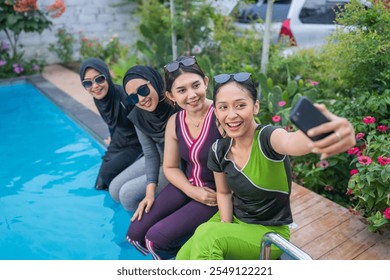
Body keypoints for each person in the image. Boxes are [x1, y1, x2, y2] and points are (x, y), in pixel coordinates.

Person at [176, 72, 356, 260]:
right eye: (223, 107)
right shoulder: (218, 150)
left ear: (255, 107)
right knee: (182, 257)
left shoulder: (268, 138)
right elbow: (223, 193)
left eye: (240, 105)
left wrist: (333, 131)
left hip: (269, 231)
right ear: (216, 111)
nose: (231, 115)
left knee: (208, 235)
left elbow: (292, 142)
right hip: (235, 219)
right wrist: (225, 226)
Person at [126, 56, 223, 260]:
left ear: (206, 82)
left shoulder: (223, 115)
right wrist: (190, 190)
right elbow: (169, 166)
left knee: (155, 239)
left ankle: (183, 255)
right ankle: (182, 246)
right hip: (186, 186)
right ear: (170, 95)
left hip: (215, 194)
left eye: (196, 85)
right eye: (181, 90)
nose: (191, 95)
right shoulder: (175, 121)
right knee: (134, 235)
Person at [109, 65, 179, 213]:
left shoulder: (176, 104)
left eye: (143, 90)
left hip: (177, 165)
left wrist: (150, 189)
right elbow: (150, 153)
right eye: (133, 97)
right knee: (114, 189)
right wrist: (150, 189)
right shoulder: (138, 115)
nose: (141, 99)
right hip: (159, 156)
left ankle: (144, 227)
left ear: (154, 81)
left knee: (127, 195)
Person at [79, 58, 143, 191]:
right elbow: (112, 123)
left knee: (108, 175)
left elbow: (144, 123)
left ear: (107, 76)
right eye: (87, 83)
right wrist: (112, 139)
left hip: (138, 142)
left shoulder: (125, 98)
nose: (95, 86)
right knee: (100, 184)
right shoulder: (99, 99)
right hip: (119, 138)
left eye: (99, 79)